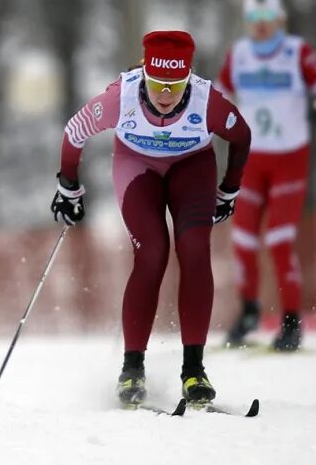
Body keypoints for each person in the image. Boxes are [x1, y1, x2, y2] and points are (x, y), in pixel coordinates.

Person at [51, 31, 251, 408]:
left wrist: (229, 190)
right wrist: (68, 189)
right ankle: (132, 371)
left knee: (194, 249)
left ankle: (194, 370)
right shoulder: (120, 97)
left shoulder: (207, 101)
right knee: (152, 253)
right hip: (137, 167)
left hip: (191, 167)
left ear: (188, 78)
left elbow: (241, 136)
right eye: (157, 84)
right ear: (144, 74)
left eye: (175, 86)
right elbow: (74, 132)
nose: (164, 95)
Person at [215, 0, 316, 351]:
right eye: (253, 21)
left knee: (279, 240)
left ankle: (290, 320)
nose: (261, 28)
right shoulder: (238, 55)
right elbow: (219, 95)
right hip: (251, 159)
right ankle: (249, 310)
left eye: (267, 20)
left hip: (289, 158)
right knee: (243, 240)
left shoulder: (297, 52)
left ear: (280, 20)